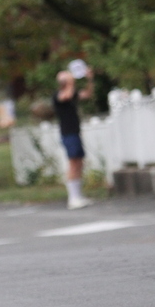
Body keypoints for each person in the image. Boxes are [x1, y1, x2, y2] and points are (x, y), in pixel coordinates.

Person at [53, 59, 94, 210]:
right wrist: (71, 81)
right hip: (68, 133)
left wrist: (89, 79)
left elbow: (87, 94)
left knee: (79, 162)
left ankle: (78, 195)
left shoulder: (72, 93)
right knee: (72, 163)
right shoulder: (58, 96)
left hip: (75, 132)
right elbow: (67, 96)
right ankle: (72, 198)